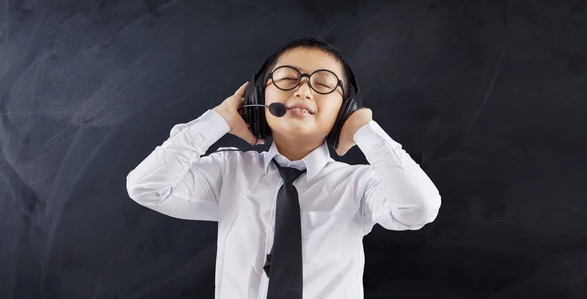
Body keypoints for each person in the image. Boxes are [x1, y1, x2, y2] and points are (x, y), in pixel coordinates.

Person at [126, 37, 442, 299]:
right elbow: (146, 187)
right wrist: (218, 119)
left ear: (344, 108)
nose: (303, 90)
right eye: (289, 78)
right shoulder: (229, 171)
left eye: (324, 84)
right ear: (259, 95)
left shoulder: (360, 184)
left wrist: (366, 130)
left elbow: (419, 208)